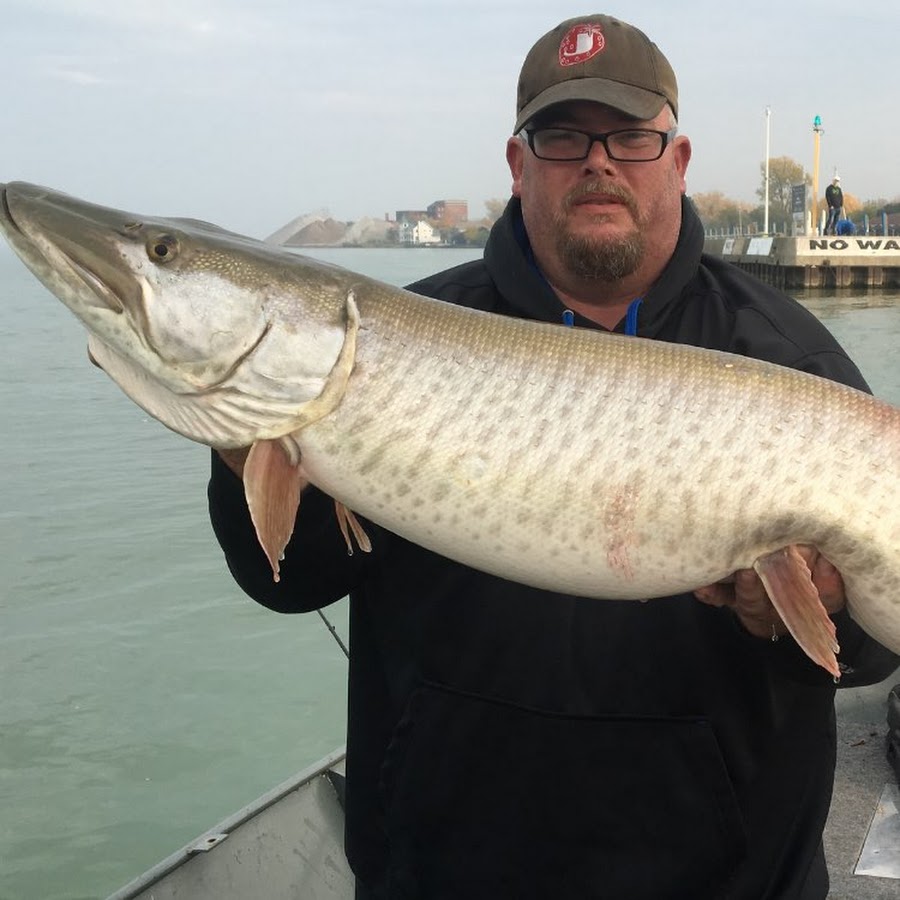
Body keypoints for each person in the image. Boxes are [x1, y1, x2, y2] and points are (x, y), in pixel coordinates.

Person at [208, 14, 898, 900]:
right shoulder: (402, 340)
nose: (597, 160)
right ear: (518, 162)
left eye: (631, 136)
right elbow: (288, 582)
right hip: (446, 870)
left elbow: (874, 651)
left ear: (676, 161)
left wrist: (824, 608)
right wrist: (243, 439)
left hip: (725, 878)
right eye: (563, 134)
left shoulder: (785, 357)